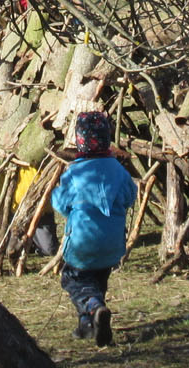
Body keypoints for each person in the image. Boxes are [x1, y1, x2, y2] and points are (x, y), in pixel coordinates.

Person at [51, 111, 137, 347]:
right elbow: (130, 196)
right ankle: (88, 324)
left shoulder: (76, 172)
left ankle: (93, 308)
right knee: (98, 280)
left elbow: (60, 203)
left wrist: (71, 211)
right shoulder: (119, 170)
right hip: (112, 242)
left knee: (74, 280)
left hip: (83, 241)